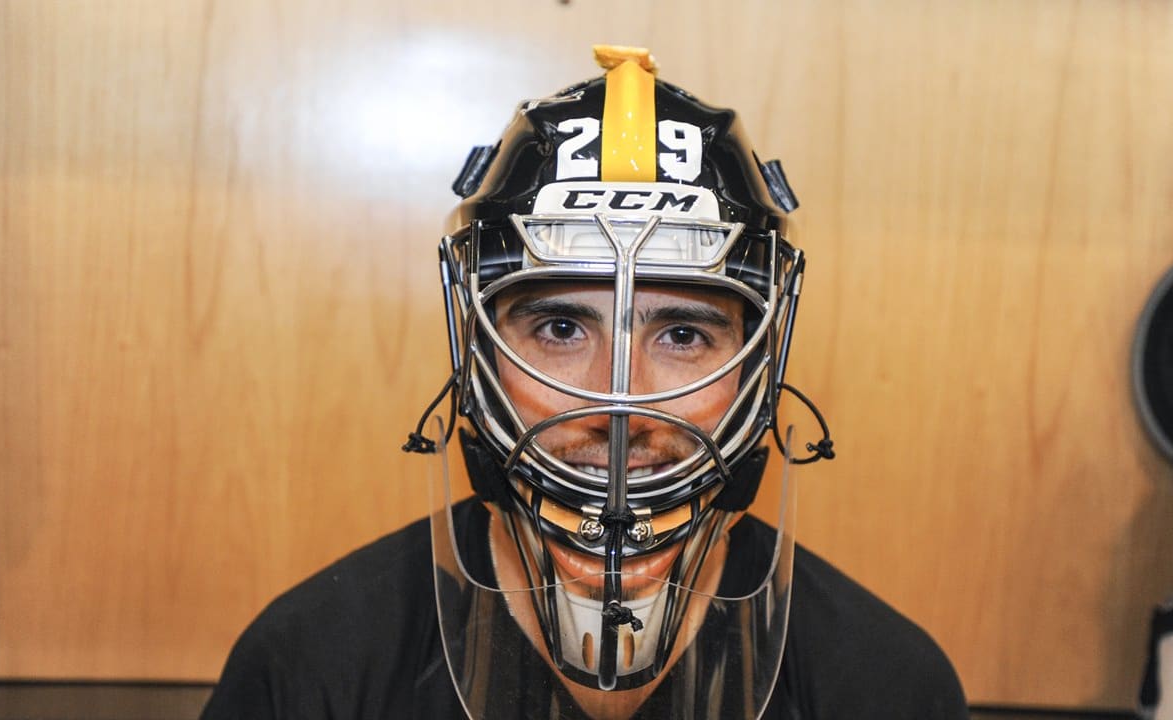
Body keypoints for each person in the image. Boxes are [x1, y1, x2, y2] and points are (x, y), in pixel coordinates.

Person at [200, 45, 969, 720]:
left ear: (758, 367)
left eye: (683, 334)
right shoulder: (308, 668)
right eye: (561, 329)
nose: (619, 402)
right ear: (480, 350)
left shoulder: (882, 684)